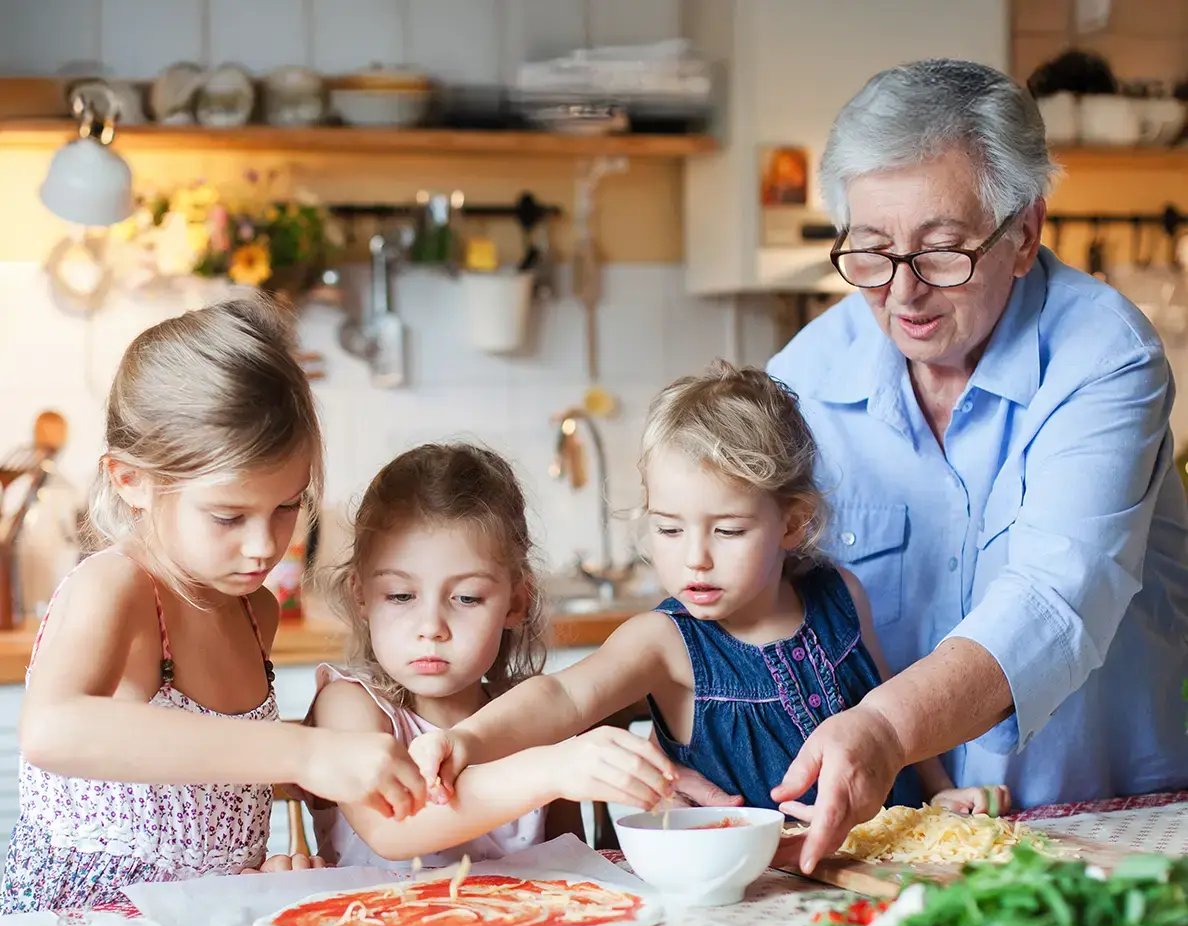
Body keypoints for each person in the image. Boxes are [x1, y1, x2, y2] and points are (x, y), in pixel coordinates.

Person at [766, 58, 1188, 871]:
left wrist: (886, 727)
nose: (903, 293)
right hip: (893, 841)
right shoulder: (804, 379)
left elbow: (1052, 600)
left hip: (1104, 827)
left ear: (1024, 233)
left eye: (942, 252)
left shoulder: (1105, 357)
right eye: (872, 251)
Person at [408, 363, 1003, 820]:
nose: (695, 556)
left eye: (728, 530)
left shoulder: (839, 594)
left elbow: (890, 704)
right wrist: (467, 739)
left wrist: (943, 793)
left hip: (893, 860)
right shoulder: (662, 642)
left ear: (792, 523)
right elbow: (561, 698)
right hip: (760, 893)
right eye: (669, 528)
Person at [1, 297, 426, 913]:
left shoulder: (256, 612)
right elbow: (53, 728)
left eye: (286, 506)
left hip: (202, 922)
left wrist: (316, 780)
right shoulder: (118, 586)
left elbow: (203, 766)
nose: (264, 547)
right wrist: (305, 753)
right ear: (131, 480)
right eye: (228, 516)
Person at [307, 443, 676, 867]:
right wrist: (554, 770)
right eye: (401, 595)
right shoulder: (349, 706)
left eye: (466, 598)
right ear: (361, 595)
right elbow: (391, 829)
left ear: (516, 602)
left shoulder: (534, 723)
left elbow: (571, 868)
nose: (431, 627)